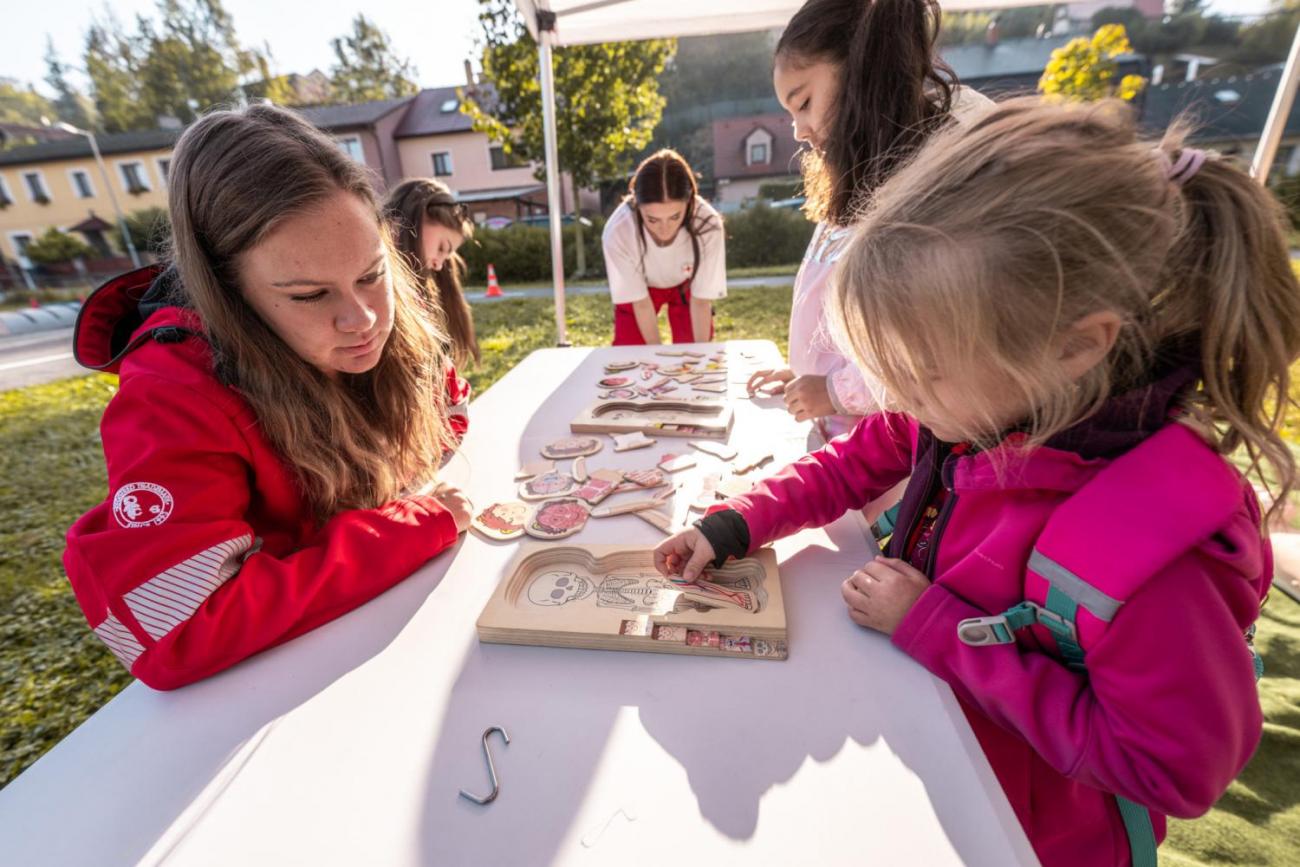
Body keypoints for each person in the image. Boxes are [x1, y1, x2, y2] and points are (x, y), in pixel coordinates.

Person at [656, 98, 1297, 866]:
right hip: (947, 757)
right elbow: (855, 458)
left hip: (1033, 838)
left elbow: (1173, 768)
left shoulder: (1155, 558)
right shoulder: (977, 406)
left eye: (919, 372)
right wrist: (734, 523)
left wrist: (935, 627)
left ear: (1074, 347)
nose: (897, 395)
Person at [64, 104, 472, 690]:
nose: (362, 319)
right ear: (227, 292)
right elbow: (177, 630)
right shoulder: (170, 397)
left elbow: (446, 412)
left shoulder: (386, 320)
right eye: (309, 295)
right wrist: (410, 525)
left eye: (371, 273)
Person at [747, 0, 991, 442]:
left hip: (906, 445)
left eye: (803, 102)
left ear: (861, 70)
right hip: (849, 429)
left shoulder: (945, 158)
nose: (798, 131)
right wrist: (809, 371)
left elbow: (930, 345)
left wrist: (837, 389)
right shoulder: (869, 153)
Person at [384, 178, 477, 438]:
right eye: (442, 248)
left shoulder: (411, 291)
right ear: (420, 214)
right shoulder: (379, 289)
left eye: (447, 256)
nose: (438, 264)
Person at [602, 149, 725, 345]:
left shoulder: (708, 224)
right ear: (637, 205)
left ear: (689, 202)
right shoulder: (618, 231)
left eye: (675, 216)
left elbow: (701, 301)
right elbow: (641, 304)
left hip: (687, 287)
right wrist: (656, 357)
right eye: (652, 219)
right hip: (640, 291)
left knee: (694, 348)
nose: (665, 230)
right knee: (632, 352)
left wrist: (700, 358)